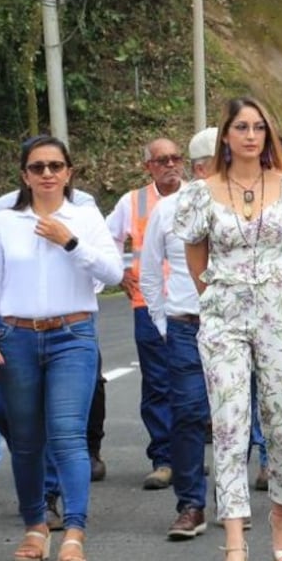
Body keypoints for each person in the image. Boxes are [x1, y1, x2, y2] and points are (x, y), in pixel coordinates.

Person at [174, 96, 282, 561]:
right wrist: (220, 295)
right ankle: (234, 542)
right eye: (241, 127)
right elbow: (196, 256)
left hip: (279, 313)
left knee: (280, 421)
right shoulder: (201, 193)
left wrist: (274, 284)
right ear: (226, 135)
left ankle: (279, 516)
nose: (251, 135)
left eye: (258, 127)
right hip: (224, 317)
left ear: (267, 134)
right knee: (230, 426)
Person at [0, 135, 123, 561]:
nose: (47, 173)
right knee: (27, 440)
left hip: (73, 335)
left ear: (69, 173)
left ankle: (74, 534)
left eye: (55, 166)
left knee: (67, 435)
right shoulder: (4, 222)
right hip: (16, 337)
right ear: (24, 176)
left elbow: (113, 273)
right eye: (37, 167)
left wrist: (71, 242)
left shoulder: (84, 218)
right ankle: (35, 527)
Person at [140, 126, 218, 541]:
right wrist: (162, 323)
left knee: (235, 415)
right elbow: (150, 272)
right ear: (201, 168)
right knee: (188, 413)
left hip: (233, 326)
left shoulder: (249, 209)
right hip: (186, 326)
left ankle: (233, 500)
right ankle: (191, 504)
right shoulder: (169, 210)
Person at [108, 137, 184, 491]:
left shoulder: (198, 196)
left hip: (194, 306)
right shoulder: (133, 202)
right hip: (149, 305)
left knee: (194, 384)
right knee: (157, 383)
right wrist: (118, 272)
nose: (170, 165)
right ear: (148, 167)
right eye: (162, 160)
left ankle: (187, 455)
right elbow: (107, 238)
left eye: (175, 158)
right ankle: (164, 458)